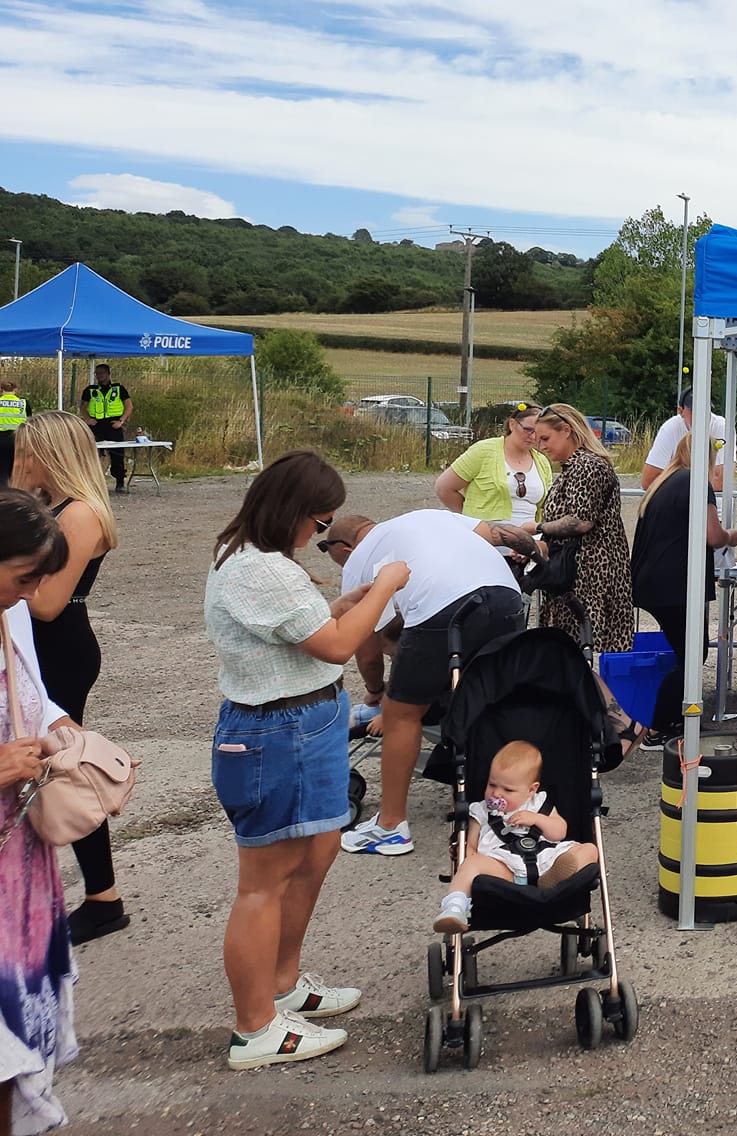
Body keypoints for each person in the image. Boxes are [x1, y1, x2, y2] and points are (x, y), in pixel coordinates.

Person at [204, 452, 409, 1068]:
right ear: (290, 511)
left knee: (316, 852)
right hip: (275, 731)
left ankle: (285, 982)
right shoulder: (255, 570)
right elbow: (340, 643)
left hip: (309, 719)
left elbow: (315, 628)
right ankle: (255, 1026)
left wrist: (354, 599)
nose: (319, 535)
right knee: (264, 882)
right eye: (319, 524)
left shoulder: (267, 563)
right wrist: (388, 586)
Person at [322, 509, 533, 858]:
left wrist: (378, 692)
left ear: (344, 549)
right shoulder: (429, 516)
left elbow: (367, 652)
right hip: (506, 594)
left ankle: (390, 827)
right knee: (484, 701)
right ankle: (494, 809)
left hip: (444, 605)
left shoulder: (359, 560)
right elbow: (497, 532)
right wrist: (537, 553)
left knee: (402, 713)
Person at [9, 413, 127, 944]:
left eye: (26, 450)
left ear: (48, 452)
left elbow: (50, 603)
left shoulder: (79, 515)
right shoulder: (55, 507)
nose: (20, 459)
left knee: (67, 762)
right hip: (44, 644)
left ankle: (103, 897)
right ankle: (98, 894)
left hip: (58, 646)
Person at [0, 489, 84, 1129]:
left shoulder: (7, 617)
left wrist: (65, 738)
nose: (31, 595)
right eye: (24, 577)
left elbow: (34, 695)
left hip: (18, 867)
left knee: (10, 1056)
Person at [634, 436, 737, 737]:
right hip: (677, 584)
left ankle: (673, 720)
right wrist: (732, 535)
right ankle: (657, 725)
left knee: (685, 653)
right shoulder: (695, 483)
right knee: (692, 655)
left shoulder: (663, 483)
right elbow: (713, 535)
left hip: (653, 581)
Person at [433, 740, 599, 935]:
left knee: (590, 849)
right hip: (505, 869)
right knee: (471, 864)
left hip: (546, 860)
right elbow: (472, 845)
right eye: (492, 784)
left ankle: (554, 879)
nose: (496, 793)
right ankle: (454, 908)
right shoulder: (481, 811)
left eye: (508, 790)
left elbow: (559, 832)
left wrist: (537, 819)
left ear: (531, 789)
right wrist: (465, 853)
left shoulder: (539, 804)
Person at [527, 403, 635, 653]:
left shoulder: (588, 466)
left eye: (546, 438)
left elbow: (580, 521)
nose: (541, 446)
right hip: (575, 570)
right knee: (570, 648)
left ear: (566, 430)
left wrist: (537, 527)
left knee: (584, 648)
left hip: (591, 572)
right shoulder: (573, 468)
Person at [434, 403, 554, 570]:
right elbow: (444, 488)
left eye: (539, 434)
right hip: (485, 549)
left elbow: (546, 507)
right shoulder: (483, 451)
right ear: (512, 424)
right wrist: (472, 518)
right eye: (528, 430)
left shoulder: (542, 462)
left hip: (525, 554)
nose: (533, 437)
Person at [642, 389, 728, 494]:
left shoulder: (722, 426)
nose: (701, 416)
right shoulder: (670, 428)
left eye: (705, 410)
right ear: (680, 411)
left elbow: (722, 480)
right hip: (678, 505)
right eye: (694, 411)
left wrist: (675, 482)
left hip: (714, 504)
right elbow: (649, 480)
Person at [79, 363, 131, 494]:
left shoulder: (118, 389)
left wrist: (121, 421)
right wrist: (88, 419)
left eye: (101, 373)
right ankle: (92, 482)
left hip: (113, 425)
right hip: (96, 426)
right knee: (91, 454)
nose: (99, 376)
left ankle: (120, 481)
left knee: (117, 455)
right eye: (97, 373)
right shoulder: (91, 390)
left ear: (108, 374)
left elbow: (129, 406)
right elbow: (82, 407)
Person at [0, 378, 27, 488]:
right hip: (17, 438)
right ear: (16, 389)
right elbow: (29, 420)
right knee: (16, 468)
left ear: (1, 389)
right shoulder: (23, 403)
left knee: (2, 469)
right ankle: (14, 493)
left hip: (1, 438)